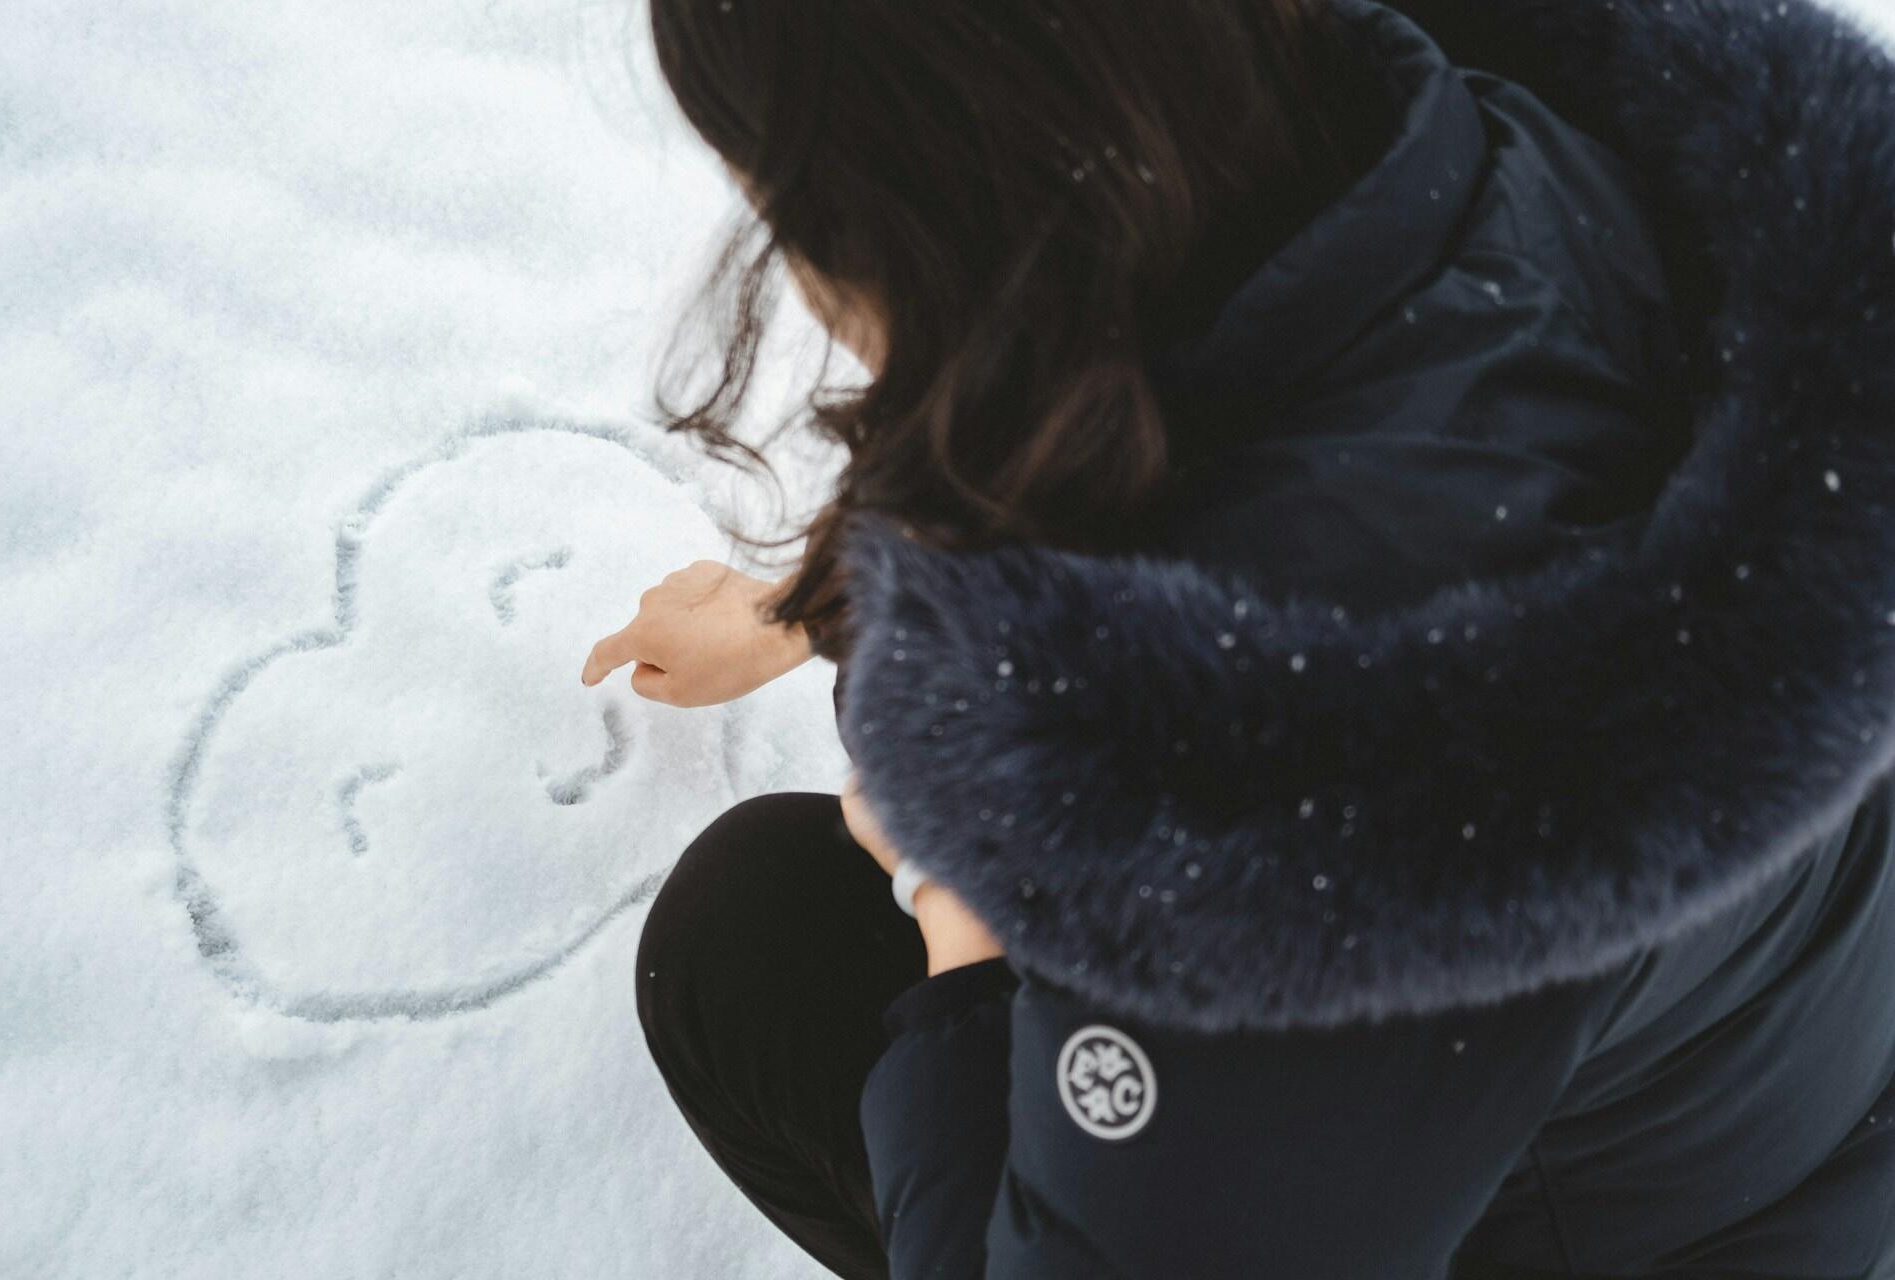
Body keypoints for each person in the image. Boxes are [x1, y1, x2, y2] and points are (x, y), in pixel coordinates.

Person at [583, 0, 1895, 1274]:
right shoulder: (1466, 119)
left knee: (744, 951)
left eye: (788, 213)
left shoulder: (1277, 839)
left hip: (1662, 1222)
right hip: (1772, 1076)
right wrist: (811, 606)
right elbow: (1196, 373)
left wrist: (962, 920)